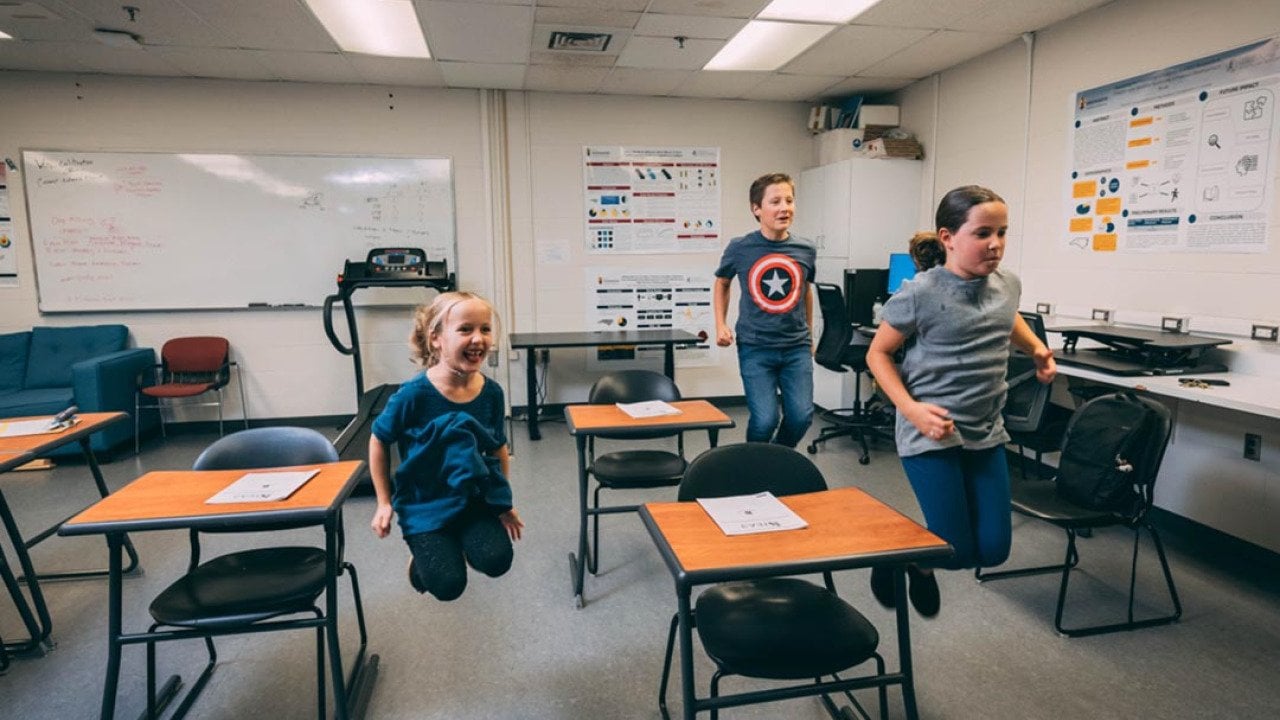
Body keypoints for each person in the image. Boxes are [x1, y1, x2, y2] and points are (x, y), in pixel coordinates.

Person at [865, 185, 1056, 617]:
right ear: (948, 237)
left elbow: (1008, 321)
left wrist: (1037, 351)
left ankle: (915, 561)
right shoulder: (920, 293)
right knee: (955, 547)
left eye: (1003, 233)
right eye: (983, 233)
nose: (996, 244)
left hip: (986, 430)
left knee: (992, 552)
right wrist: (911, 410)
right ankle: (902, 556)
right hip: (930, 433)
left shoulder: (1009, 285)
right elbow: (876, 354)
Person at [369, 291, 524, 601]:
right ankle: (424, 557)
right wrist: (384, 503)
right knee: (447, 586)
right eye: (465, 329)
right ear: (436, 338)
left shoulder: (491, 393)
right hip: (425, 501)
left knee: (498, 561)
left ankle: (456, 543)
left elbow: (497, 449)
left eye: (485, 329)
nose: (478, 338)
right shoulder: (413, 395)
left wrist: (502, 501)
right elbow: (378, 441)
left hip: (472, 497)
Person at [713, 172, 816, 448]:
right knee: (765, 420)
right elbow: (722, 282)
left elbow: (804, 290)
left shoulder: (806, 249)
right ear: (756, 209)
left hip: (796, 347)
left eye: (789, 200)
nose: (785, 207)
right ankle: (755, 462)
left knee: (802, 416)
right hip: (756, 347)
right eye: (775, 201)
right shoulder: (740, 248)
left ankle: (776, 458)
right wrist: (720, 325)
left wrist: (810, 335)